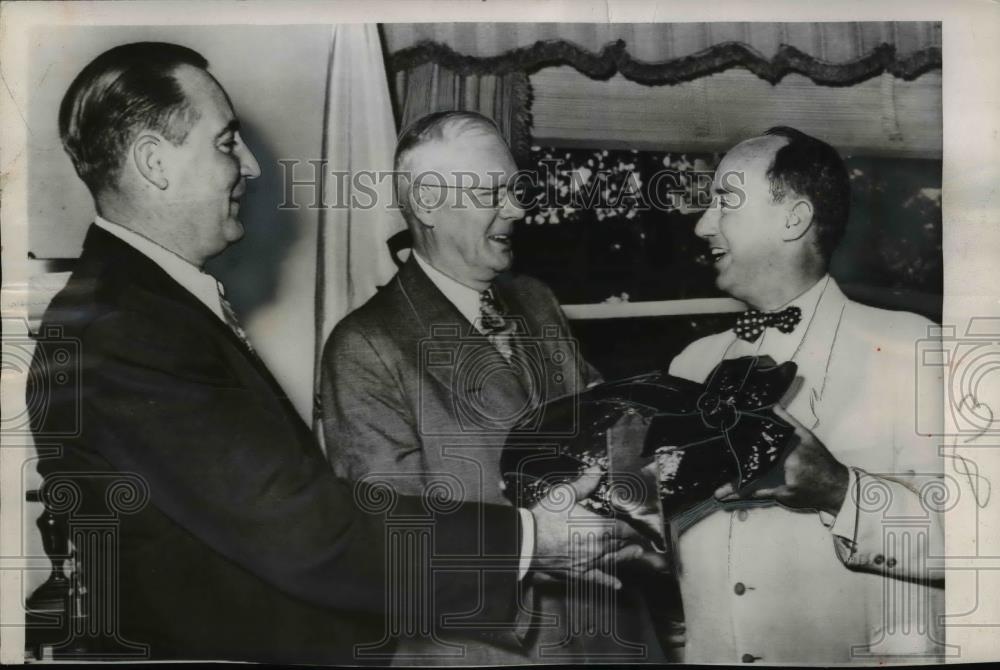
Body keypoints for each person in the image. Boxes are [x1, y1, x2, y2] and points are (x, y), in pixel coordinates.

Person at [28, 43, 630, 663]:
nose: (252, 166)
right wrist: (532, 538)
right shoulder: (126, 324)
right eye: (226, 141)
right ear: (154, 162)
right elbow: (304, 531)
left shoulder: (140, 308)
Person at [320, 111, 666, 663]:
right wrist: (533, 539)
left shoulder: (535, 300)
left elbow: (614, 431)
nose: (518, 209)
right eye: (493, 192)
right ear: (428, 202)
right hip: (489, 650)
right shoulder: (365, 345)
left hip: (612, 630)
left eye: (516, 188)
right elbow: (389, 540)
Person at [665, 126, 945, 663]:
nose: (703, 225)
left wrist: (841, 490)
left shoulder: (914, 346)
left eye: (725, 201)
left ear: (793, 218)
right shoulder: (690, 364)